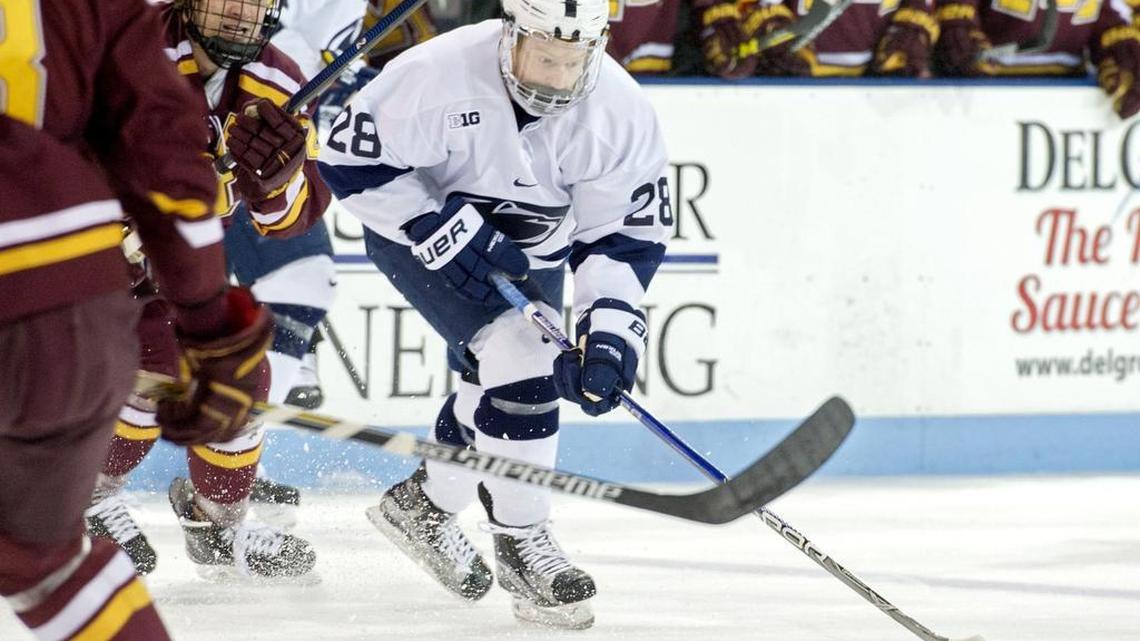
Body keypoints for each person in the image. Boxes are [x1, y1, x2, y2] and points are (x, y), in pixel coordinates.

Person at [318, 0, 672, 629]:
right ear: (513, 34)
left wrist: (611, 335)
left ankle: (426, 505)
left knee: (500, 381)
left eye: (573, 59)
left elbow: (619, 241)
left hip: (535, 249)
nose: (557, 77)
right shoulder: (437, 72)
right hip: (414, 231)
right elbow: (350, 161)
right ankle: (522, 542)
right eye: (544, 56)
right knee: (526, 358)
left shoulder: (620, 113)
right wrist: (432, 223)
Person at [0, 0, 275, 638]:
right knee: (45, 565)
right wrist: (210, 325)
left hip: (60, 290)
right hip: (61, 300)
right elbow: (165, 161)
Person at [84, 0, 330, 580]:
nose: (242, 14)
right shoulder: (125, 52)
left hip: (167, 276)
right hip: (74, 262)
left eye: (256, 2)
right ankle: (85, 496)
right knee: (151, 360)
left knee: (239, 369)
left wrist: (277, 181)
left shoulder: (278, 81)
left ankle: (217, 523)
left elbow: (290, 219)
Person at [933, 0, 1140, 117]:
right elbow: (956, 16)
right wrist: (958, 30)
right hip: (983, 99)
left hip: (1070, 105)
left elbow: (1104, 19)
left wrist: (1125, 54)